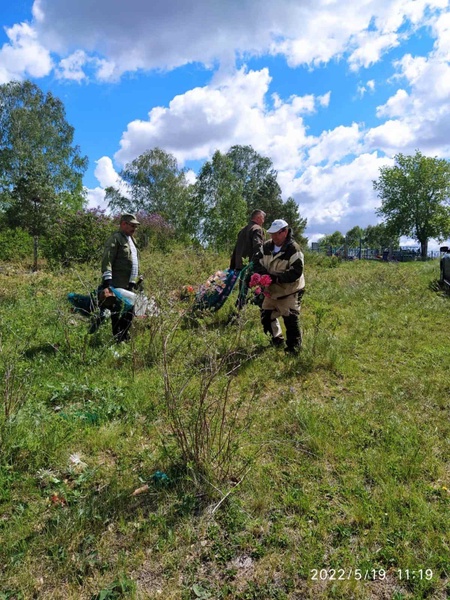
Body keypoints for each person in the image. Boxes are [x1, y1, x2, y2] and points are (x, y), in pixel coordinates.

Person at [254, 219, 305, 355]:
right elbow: (256, 262)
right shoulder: (266, 247)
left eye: (277, 234)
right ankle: (276, 339)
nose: (274, 237)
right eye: (272, 234)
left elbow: (296, 271)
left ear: (285, 232)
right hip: (271, 291)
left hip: (290, 291)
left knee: (290, 319)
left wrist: (276, 278)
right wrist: (264, 275)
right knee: (266, 316)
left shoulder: (294, 249)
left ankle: (293, 349)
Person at [100, 213, 141, 342]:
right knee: (118, 312)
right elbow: (107, 259)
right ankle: (118, 338)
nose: (134, 228)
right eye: (132, 225)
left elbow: (134, 260)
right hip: (117, 283)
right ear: (123, 224)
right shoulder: (115, 238)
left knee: (129, 311)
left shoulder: (132, 240)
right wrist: (108, 281)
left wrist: (138, 279)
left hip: (129, 283)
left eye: (135, 226)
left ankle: (124, 336)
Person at [230, 209, 266, 309]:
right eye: (263, 218)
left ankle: (237, 313)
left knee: (242, 292)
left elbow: (236, 249)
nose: (263, 221)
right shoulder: (257, 229)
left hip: (240, 266)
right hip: (251, 266)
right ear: (258, 217)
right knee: (260, 291)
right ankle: (262, 313)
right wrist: (261, 266)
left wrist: (233, 266)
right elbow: (258, 247)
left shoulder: (243, 230)